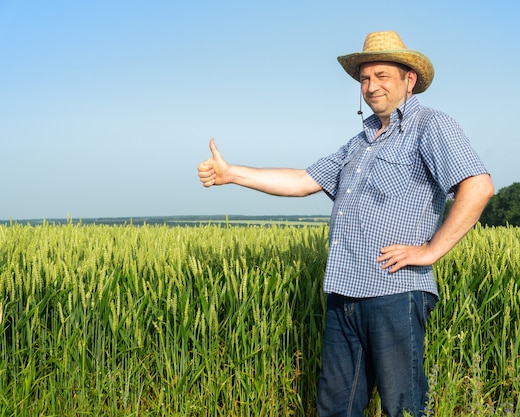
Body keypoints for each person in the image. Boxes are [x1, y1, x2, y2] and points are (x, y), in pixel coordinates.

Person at [197, 30, 494, 417]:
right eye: (365, 78)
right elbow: (305, 180)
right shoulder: (361, 141)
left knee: (402, 407)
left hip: (394, 291)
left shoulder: (431, 125)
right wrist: (232, 173)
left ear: (410, 79)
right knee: (337, 408)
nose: (371, 86)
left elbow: (478, 186)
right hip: (344, 293)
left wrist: (432, 250)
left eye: (382, 76)